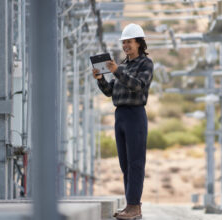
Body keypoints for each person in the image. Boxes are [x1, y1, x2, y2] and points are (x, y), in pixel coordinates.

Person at [92, 23, 153, 220]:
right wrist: (101, 78)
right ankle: (131, 206)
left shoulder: (145, 64)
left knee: (136, 163)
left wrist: (117, 71)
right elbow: (110, 92)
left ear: (139, 43)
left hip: (135, 114)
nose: (125, 45)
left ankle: (134, 206)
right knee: (125, 164)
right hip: (120, 116)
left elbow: (138, 85)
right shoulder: (123, 65)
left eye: (129, 42)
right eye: (124, 42)